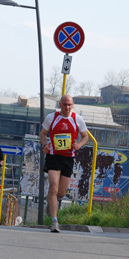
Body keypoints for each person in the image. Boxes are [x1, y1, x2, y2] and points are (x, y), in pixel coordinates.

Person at [40, 94, 89, 233]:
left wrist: (79, 145)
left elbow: (85, 137)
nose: (67, 107)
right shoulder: (51, 118)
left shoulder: (77, 119)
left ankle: (51, 203)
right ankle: (55, 221)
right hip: (54, 156)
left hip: (68, 158)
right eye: (64, 104)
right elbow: (43, 133)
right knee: (53, 188)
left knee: (61, 192)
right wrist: (45, 144)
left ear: (73, 105)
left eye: (69, 105)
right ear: (60, 104)